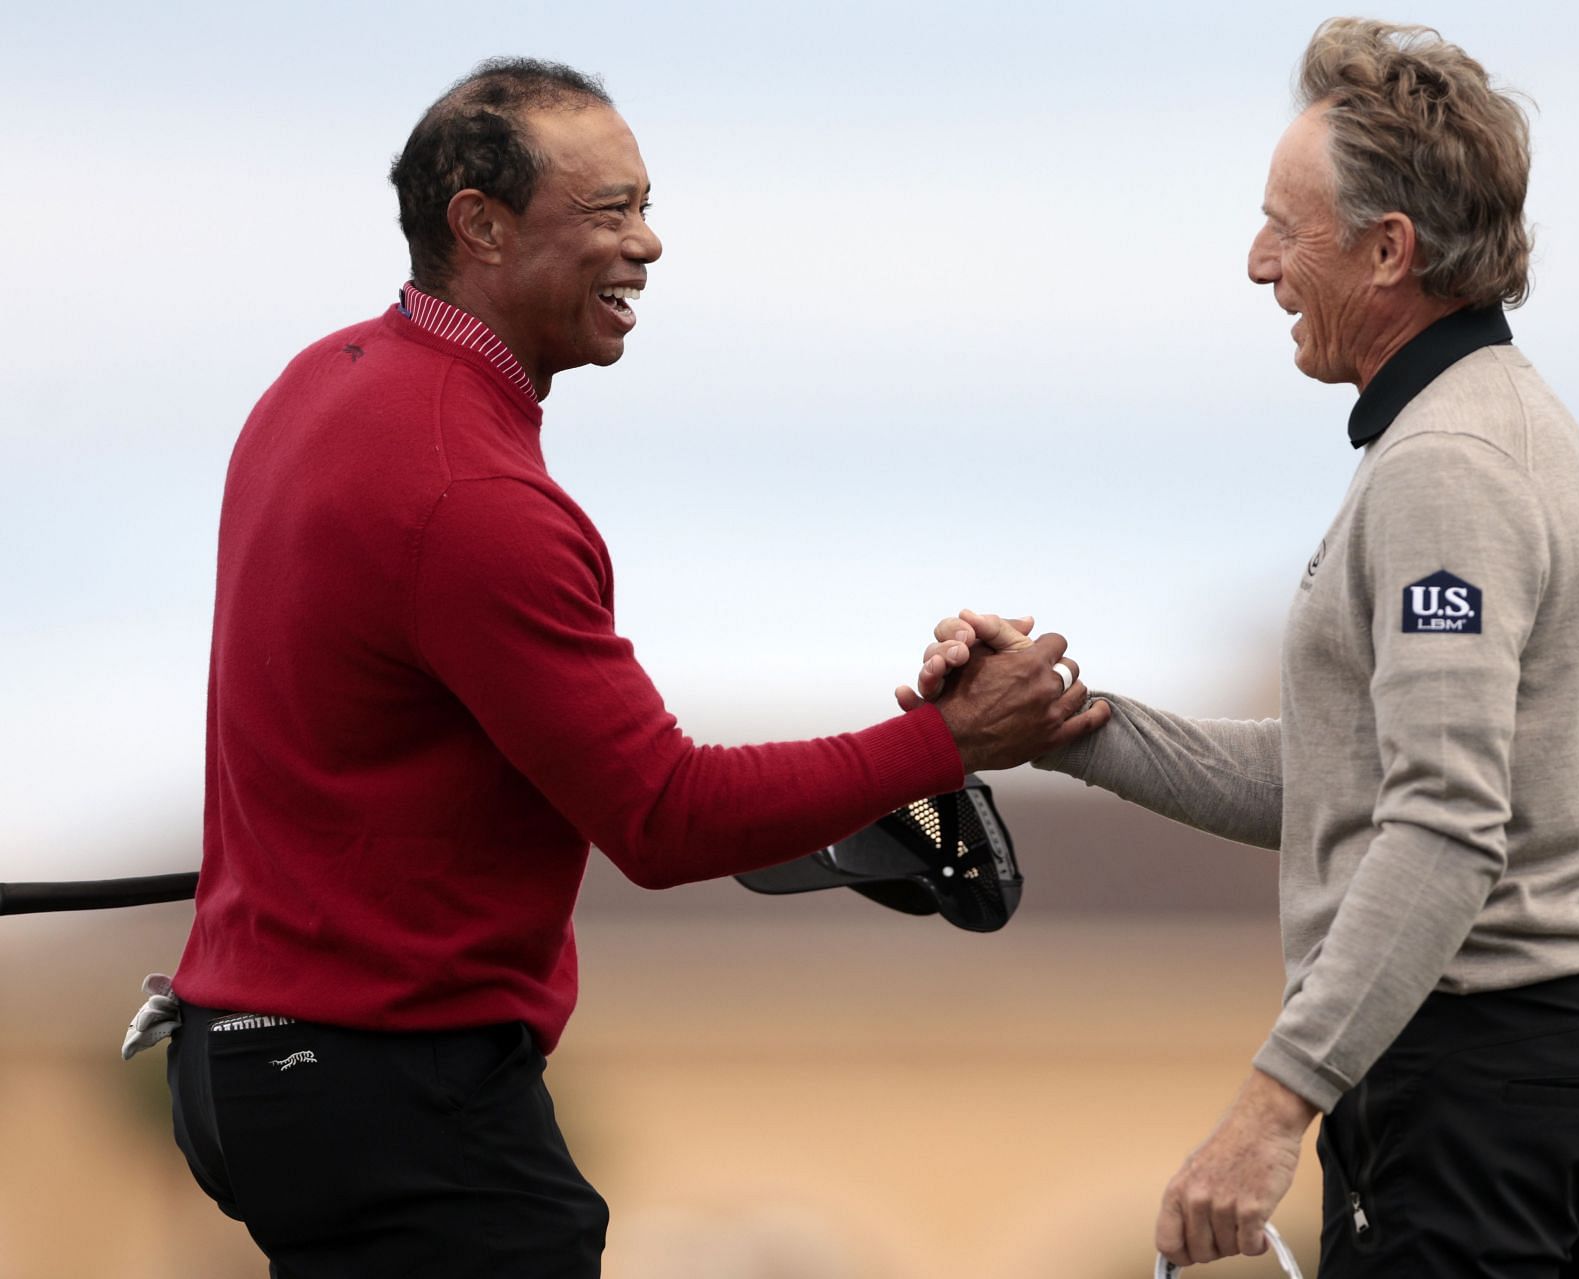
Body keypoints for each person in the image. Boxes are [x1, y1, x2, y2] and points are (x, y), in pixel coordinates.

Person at [145, 57, 1105, 1277]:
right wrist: (952, 741)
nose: (646, 243)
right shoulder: (473, 494)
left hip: (260, 1065)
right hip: (391, 1090)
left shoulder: (320, 381)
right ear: (478, 227)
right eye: (607, 213)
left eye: (646, 205)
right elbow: (661, 813)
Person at [906, 20, 1579, 1277]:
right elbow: (1347, 776)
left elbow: (1442, 822)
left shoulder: (1447, 465)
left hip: (1483, 1072)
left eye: (1287, 224)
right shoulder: (1494, 423)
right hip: (1546, 1064)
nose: (1258, 261)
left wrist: (1273, 1107)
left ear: (1391, 251)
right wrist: (1063, 717)